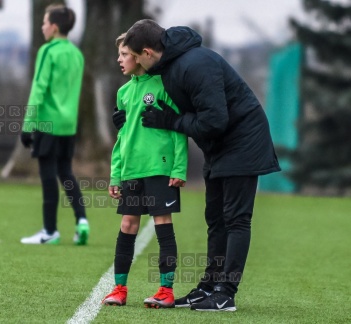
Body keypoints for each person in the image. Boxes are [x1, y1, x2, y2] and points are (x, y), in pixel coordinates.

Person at [114, 20, 281, 311]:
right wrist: (129, 121)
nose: (135, 62)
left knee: (236, 219)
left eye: (136, 55)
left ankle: (226, 292)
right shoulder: (168, 64)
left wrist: (172, 122)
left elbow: (215, 121)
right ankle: (208, 287)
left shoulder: (196, 64)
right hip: (217, 149)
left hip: (243, 142)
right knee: (215, 218)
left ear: (149, 52)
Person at [101, 33, 188, 308]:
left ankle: (166, 289)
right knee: (127, 225)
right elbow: (122, 137)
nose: (119, 59)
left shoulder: (163, 85)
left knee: (163, 224)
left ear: (139, 56)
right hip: (131, 172)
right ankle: (119, 288)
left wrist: (179, 167)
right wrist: (116, 174)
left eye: (124, 54)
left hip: (160, 169)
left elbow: (178, 129)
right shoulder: (123, 93)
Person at [19, 5, 89, 245]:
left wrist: (27, 124)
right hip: (69, 123)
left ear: (54, 27)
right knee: (66, 172)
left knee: (48, 175)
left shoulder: (48, 51)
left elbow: (39, 89)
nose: (42, 26)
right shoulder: (77, 54)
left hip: (48, 122)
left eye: (45, 22)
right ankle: (82, 221)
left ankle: (50, 231)